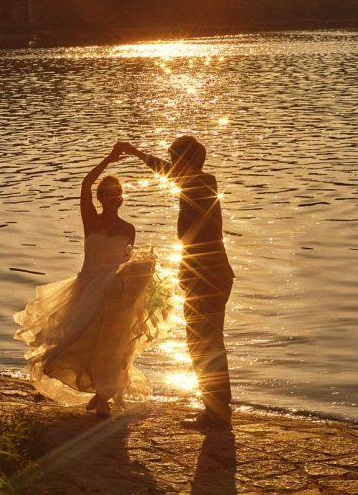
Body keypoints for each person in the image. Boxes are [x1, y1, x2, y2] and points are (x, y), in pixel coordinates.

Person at [13, 148, 171, 417]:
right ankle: (92, 388)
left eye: (117, 193)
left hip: (114, 292)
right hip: (86, 287)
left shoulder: (128, 228)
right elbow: (86, 183)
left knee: (111, 345)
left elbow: (127, 262)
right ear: (100, 198)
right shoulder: (91, 220)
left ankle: (102, 396)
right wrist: (108, 160)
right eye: (108, 194)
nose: (113, 198)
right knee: (78, 341)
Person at [117, 136, 234, 430]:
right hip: (209, 272)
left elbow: (171, 174)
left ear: (186, 162)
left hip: (205, 275)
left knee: (203, 344)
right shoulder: (202, 182)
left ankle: (216, 413)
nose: (172, 165)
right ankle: (217, 409)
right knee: (205, 343)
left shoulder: (200, 184)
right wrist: (136, 153)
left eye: (175, 159)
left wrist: (137, 154)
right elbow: (168, 172)